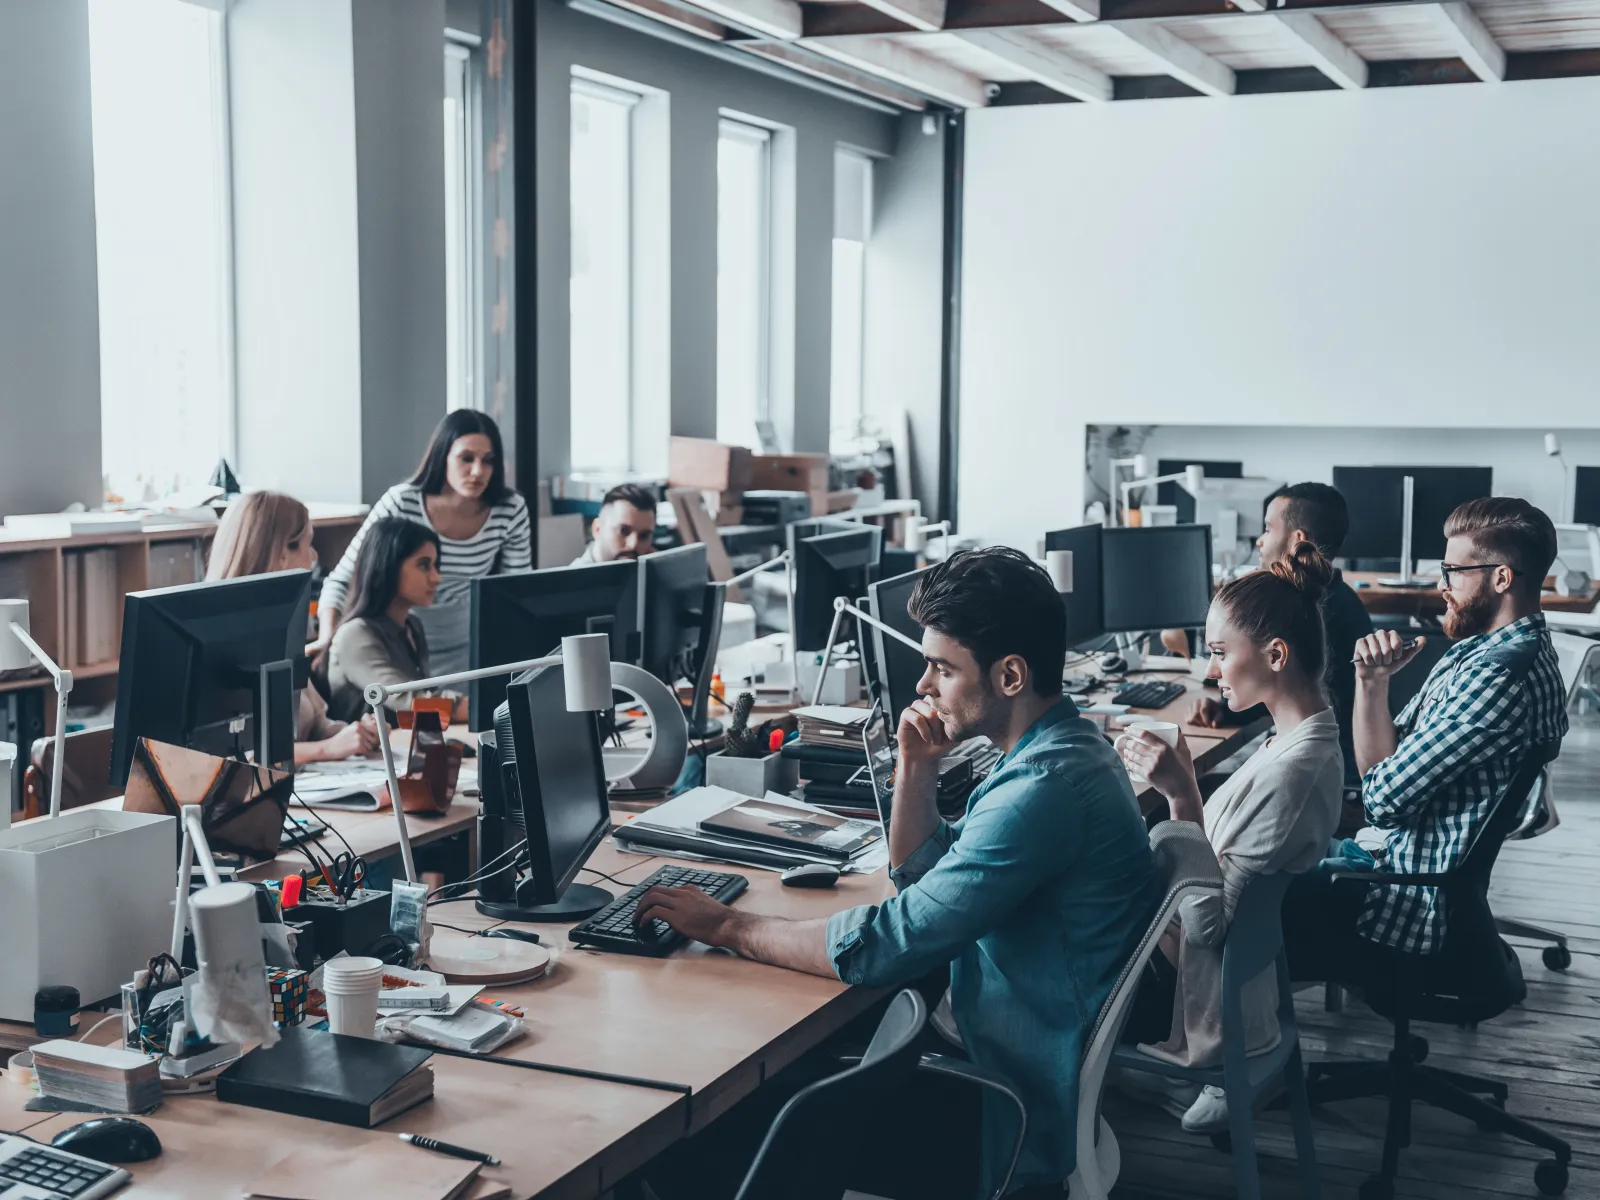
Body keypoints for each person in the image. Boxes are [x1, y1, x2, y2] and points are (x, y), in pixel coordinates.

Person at [635, 547, 1161, 1199]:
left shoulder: (1044, 789)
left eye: (942, 668)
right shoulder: (1059, 753)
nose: (923, 686)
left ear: (1011, 675)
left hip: (997, 1104)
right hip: (1004, 1056)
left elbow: (888, 943)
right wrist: (916, 767)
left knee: (699, 1131)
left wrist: (728, 925)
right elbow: (926, 879)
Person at [1283, 497, 1569, 980]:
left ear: (1501, 578)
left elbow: (1382, 800)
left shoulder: (1496, 678)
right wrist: (1371, 684)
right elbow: (1385, 768)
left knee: (1235, 896)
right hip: (1389, 861)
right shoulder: (1485, 653)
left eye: (1454, 571)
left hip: (1398, 898)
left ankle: (1251, 1049)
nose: (1441, 585)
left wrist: (1373, 706)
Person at [1113, 543, 1345, 1133]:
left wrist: (1182, 795)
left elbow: (1208, 927)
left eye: (1219, 653)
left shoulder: (1293, 772)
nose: (1212, 672)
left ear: (1275, 654)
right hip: (1199, 968)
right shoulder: (1296, 738)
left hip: (1181, 979)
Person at [315, 411, 530, 676]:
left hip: (470, 647)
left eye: (488, 461)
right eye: (466, 459)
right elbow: (342, 579)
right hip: (400, 644)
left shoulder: (510, 508)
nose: (478, 471)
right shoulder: (402, 502)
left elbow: (517, 592)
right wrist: (327, 639)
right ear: (443, 457)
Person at [1190, 481, 1373, 784]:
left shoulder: (1312, 611)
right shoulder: (1335, 599)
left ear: (1296, 538)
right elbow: (1286, 685)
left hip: (1330, 777)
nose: (1260, 541)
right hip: (1318, 761)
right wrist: (1228, 709)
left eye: (1267, 528)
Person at [206, 491, 380, 764]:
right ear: (279, 552)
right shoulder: (220, 644)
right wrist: (330, 748)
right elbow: (239, 752)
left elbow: (316, 725)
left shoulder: (280, 629)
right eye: (306, 545)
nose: (313, 557)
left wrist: (356, 734)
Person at [326, 517, 458, 722]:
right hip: (367, 752)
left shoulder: (412, 625)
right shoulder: (355, 634)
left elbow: (425, 697)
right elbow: (411, 702)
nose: (436, 578)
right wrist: (470, 708)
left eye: (435, 566)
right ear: (388, 566)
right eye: (424, 565)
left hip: (403, 745)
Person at [570, 484, 658, 564]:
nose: (633, 545)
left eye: (644, 536)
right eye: (623, 531)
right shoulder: (571, 580)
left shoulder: (649, 573)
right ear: (597, 529)